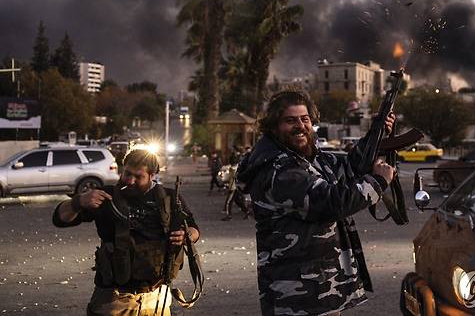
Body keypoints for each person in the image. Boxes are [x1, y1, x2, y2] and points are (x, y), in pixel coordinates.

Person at [236, 90, 395, 316]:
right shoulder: (279, 170)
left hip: (320, 289)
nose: (300, 126)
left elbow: (349, 167)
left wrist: (376, 133)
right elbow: (331, 202)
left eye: (305, 119)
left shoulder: (305, 158)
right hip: (297, 298)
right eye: (290, 120)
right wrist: (378, 182)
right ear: (273, 127)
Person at [52, 149, 200, 316]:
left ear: (152, 175)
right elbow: (60, 219)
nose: (130, 180)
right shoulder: (106, 196)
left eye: (138, 176)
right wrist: (78, 202)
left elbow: (194, 230)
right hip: (114, 299)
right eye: (127, 173)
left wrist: (186, 235)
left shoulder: (169, 198)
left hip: (157, 298)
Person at [221, 148, 251, 221]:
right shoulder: (237, 167)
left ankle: (229, 215)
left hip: (233, 187)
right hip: (235, 186)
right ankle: (247, 211)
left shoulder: (233, 169)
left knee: (229, 202)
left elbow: (229, 178)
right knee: (238, 201)